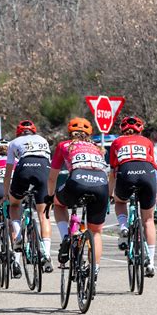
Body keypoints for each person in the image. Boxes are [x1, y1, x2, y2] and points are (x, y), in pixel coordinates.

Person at [46, 117, 108, 283]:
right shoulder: (98, 148)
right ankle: (94, 269)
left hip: (77, 182)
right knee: (96, 232)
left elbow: (52, 178)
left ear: (70, 133)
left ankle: (67, 236)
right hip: (101, 185)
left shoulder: (64, 146)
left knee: (58, 205)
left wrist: (50, 197)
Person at [108, 116, 157, 277]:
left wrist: (110, 193)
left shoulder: (116, 142)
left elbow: (113, 171)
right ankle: (150, 262)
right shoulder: (147, 142)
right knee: (148, 220)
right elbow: (154, 165)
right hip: (147, 174)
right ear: (140, 129)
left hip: (126, 173)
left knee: (120, 200)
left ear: (122, 130)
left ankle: (123, 226)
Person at [3, 119, 53, 275]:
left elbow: (9, 170)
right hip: (43, 169)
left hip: (24, 168)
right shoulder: (43, 140)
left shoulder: (13, 143)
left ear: (19, 132)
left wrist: (6, 193)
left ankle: (18, 236)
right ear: (34, 131)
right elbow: (49, 165)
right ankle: (46, 254)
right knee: (44, 216)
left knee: (15, 205)